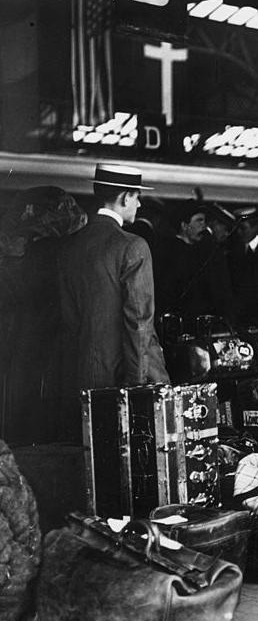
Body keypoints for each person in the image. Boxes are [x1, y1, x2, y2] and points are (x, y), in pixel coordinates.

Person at [57, 164, 169, 435]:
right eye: (136, 196)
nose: (139, 204)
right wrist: (138, 388)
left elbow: (71, 320)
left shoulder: (68, 247)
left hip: (87, 378)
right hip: (130, 378)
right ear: (124, 197)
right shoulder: (132, 245)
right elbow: (139, 325)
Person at [155, 199, 235, 323]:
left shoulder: (201, 251)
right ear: (184, 226)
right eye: (199, 221)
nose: (204, 226)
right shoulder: (169, 253)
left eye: (204, 221)